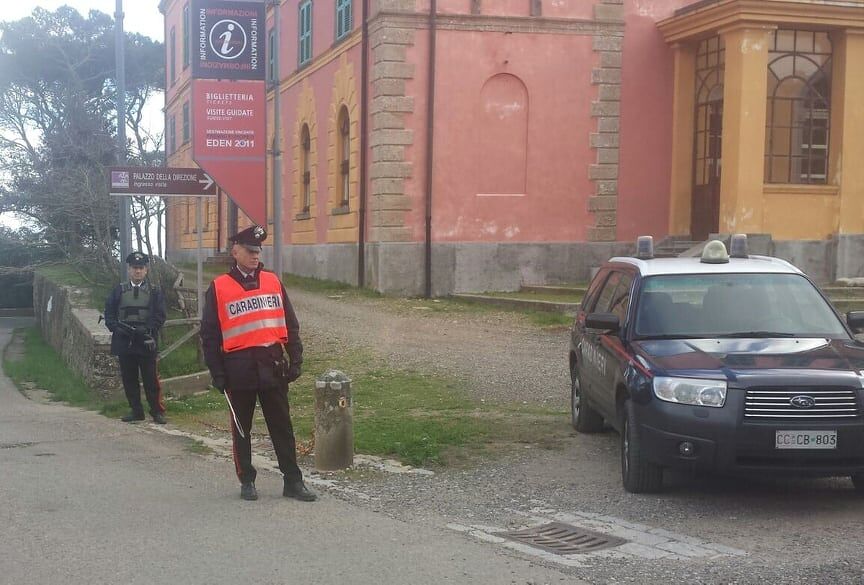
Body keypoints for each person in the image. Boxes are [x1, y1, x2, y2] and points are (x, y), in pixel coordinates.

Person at [200, 225, 316, 502]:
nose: (255, 256)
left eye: (258, 251)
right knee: (242, 429)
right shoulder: (219, 287)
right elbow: (210, 334)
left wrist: (296, 357)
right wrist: (217, 372)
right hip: (238, 368)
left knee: (282, 427)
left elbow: (290, 323)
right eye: (250, 251)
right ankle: (247, 480)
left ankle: (293, 481)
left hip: (271, 364)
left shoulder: (273, 281)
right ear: (235, 252)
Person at [104, 251, 167, 425]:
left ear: (146, 270)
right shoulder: (118, 290)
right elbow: (109, 313)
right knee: (129, 378)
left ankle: (157, 411)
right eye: (134, 268)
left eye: (140, 268)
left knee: (150, 379)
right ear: (129, 269)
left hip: (146, 341)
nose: (137, 271)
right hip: (124, 342)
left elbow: (160, 315)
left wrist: (147, 329)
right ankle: (136, 411)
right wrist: (116, 328)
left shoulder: (154, 291)